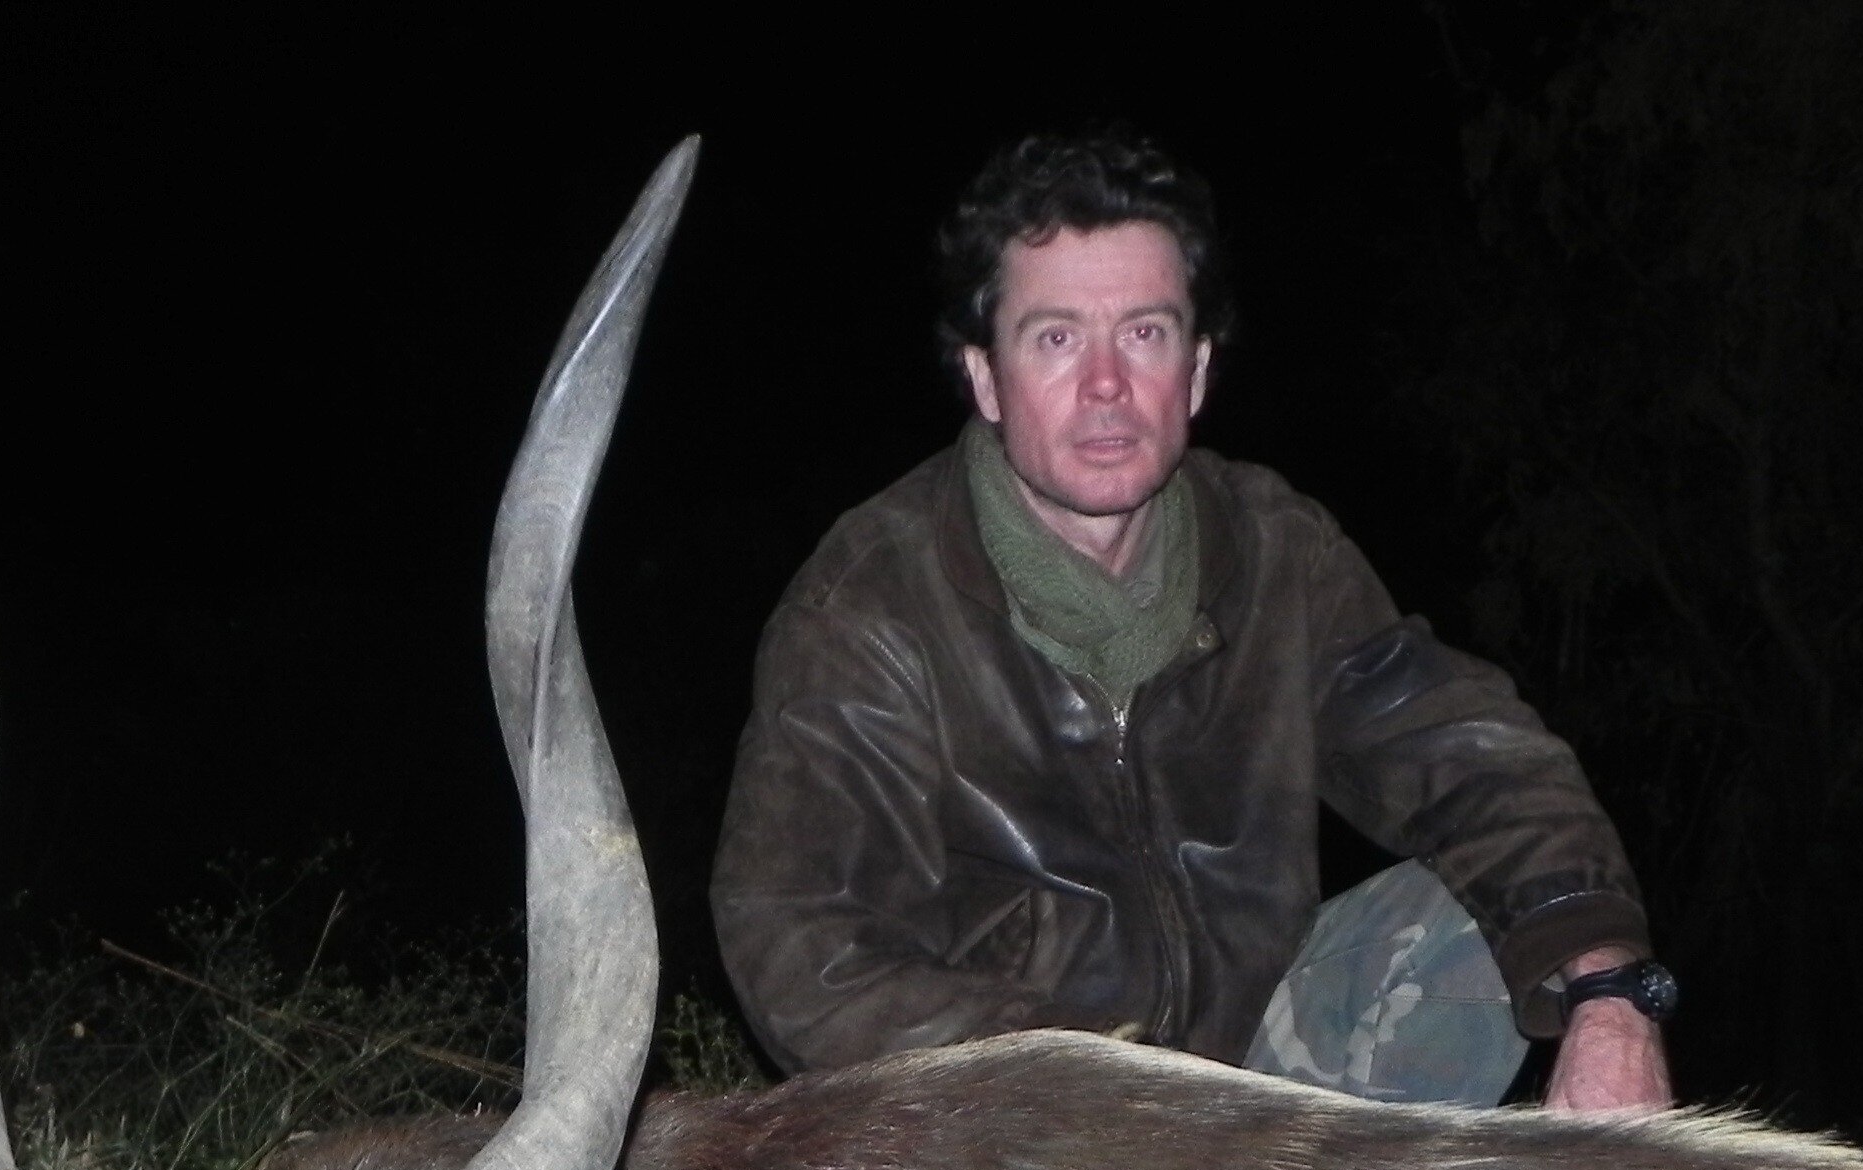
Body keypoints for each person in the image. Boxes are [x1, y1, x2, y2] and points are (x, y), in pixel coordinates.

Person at [711, 131, 1674, 1113]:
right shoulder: (871, 605)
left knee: (1487, 928)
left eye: (1144, 332)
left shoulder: (1270, 549)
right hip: (1012, 1125)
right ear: (983, 377)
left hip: (1245, 1087)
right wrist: (1094, 1091)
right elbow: (796, 937)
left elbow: (1473, 754)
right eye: (1053, 337)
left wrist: (1611, 996)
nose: (1103, 384)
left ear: (1197, 370)